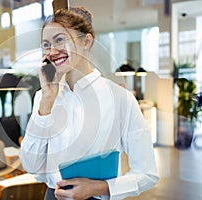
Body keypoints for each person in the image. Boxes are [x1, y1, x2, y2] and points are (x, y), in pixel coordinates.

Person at [19, 7, 159, 200]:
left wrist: (100, 188)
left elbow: (147, 173)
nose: (52, 51)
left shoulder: (121, 99)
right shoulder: (44, 97)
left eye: (60, 40)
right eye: (46, 44)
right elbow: (31, 165)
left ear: (86, 41)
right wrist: (46, 102)